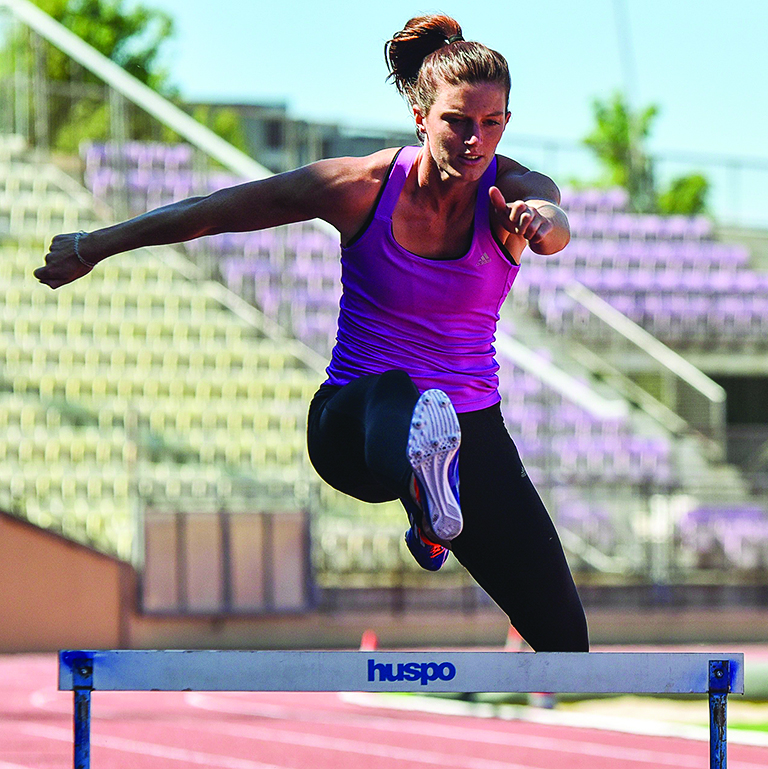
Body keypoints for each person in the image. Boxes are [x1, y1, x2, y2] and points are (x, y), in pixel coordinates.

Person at [35, 14, 589, 652]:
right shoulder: (360, 189)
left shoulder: (509, 191)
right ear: (421, 116)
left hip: (472, 432)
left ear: (506, 124)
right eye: (456, 120)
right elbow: (210, 213)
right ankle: (424, 492)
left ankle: (432, 506)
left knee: (565, 640)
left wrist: (543, 222)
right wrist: (94, 244)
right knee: (398, 395)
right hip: (353, 424)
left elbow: (553, 215)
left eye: (491, 124)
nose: (474, 140)